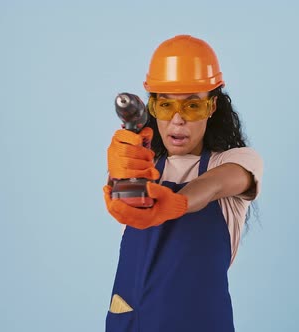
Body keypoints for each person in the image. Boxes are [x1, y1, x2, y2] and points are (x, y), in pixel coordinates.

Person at [103, 34, 263, 332]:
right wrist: (119, 176)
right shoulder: (145, 168)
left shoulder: (236, 162)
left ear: (212, 107)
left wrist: (177, 202)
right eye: (165, 106)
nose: (177, 121)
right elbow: (122, 198)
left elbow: (213, 186)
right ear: (151, 108)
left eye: (192, 107)